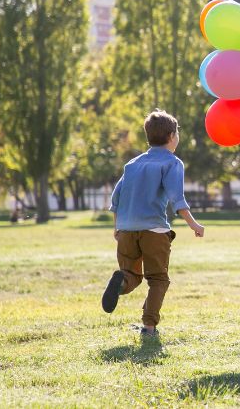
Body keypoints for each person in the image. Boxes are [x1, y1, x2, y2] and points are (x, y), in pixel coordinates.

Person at [101, 110, 205, 337]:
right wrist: (194, 225)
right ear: (171, 136)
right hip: (154, 230)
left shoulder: (133, 164)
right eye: (177, 132)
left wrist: (117, 228)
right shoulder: (172, 163)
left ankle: (121, 282)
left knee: (131, 275)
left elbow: (116, 199)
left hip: (127, 229)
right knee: (157, 279)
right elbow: (178, 199)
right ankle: (149, 327)